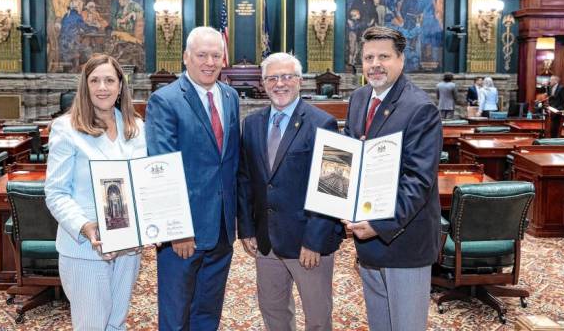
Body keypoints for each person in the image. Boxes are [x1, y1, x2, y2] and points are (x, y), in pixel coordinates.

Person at [342, 26, 442, 331]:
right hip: (368, 242)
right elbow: (350, 158)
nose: (375, 64)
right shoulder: (359, 98)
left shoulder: (420, 108)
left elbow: (417, 182)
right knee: (380, 325)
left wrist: (378, 225)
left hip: (403, 242)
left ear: (401, 59)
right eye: (368, 57)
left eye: (383, 56)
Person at [237, 52, 344, 331]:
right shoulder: (251, 124)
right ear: (263, 83)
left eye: (287, 77)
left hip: (307, 243)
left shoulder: (323, 123)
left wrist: (314, 240)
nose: (280, 84)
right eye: (272, 78)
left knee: (318, 317)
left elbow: (334, 187)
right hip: (266, 241)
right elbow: (246, 179)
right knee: (273, 311)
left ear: (299, 81)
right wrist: (247, 229)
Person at [145, 26, 240, 331]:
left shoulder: (230, 96)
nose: (209, 62)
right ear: (186, 57)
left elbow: (229, 161)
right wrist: (177, 229)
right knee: (176, 316)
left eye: (216, 55)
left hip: (222, 229)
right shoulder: (165, 100)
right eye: (202, 55)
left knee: (208, 312)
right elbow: (160, 168)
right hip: (183, 234)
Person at [45, 54, 147, 330]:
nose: (102, 87)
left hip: (128, 245)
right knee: (92, 325)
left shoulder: (137, 128)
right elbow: (55, 192)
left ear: (120, 86)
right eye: (95, 80)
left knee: (117, 323)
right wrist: (85, 226)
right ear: (85, 86)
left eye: (109, 80)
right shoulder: (66, 128)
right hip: (86, 247)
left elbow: (145, 185)